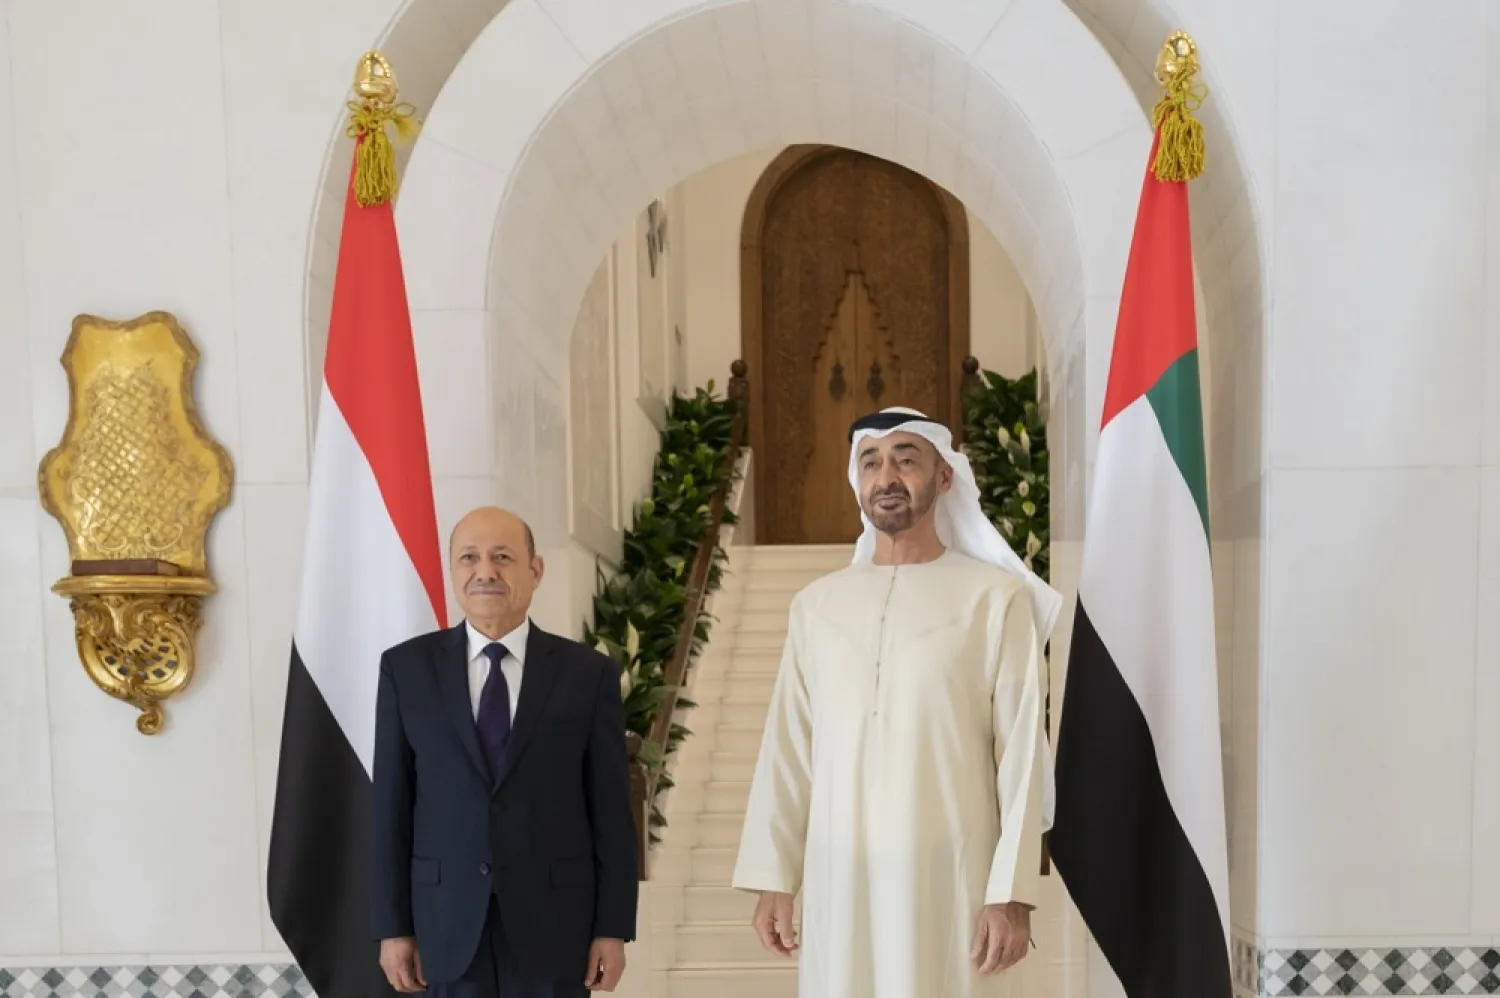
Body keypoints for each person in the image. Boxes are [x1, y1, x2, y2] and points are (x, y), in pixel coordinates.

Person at [731, 406, 1063, 998]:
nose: (887, 477)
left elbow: (1021, 758)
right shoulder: (816, 607)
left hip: (952, 882)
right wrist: (773, 877)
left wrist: (1010, 893)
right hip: (840, 881)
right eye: (871, 462)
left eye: (906, 460)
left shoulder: (994, 599)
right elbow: (789, 751)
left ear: (944, 476)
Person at [371, 507, 638, 998]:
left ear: (535, 571)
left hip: (557, 927)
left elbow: (611, 813)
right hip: (444, 925)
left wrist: (613, 927)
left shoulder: (588, 675)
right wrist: (393, 927)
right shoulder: (406, 670)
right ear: (452, 571)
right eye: (468, 558)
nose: (485, 571)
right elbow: (390, 806)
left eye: (502, 557)